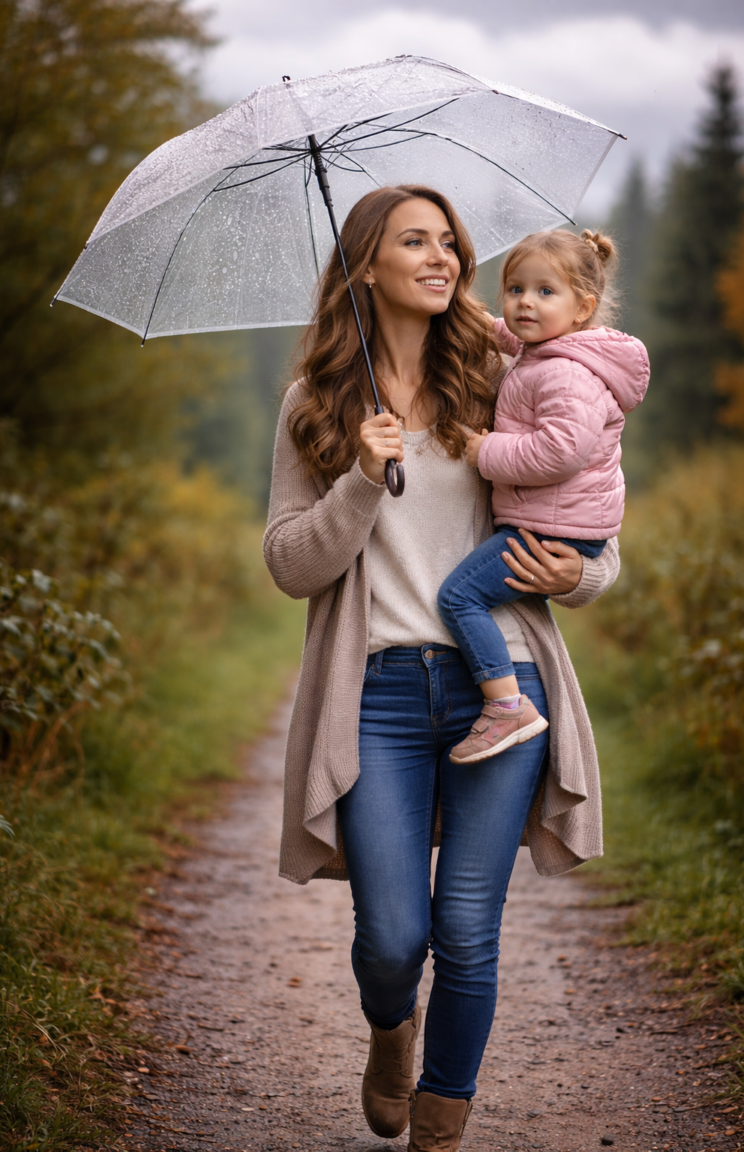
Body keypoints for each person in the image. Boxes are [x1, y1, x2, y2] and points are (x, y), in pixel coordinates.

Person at [263, 185, 620, 1152]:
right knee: (391, 939)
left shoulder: (502, 372)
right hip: (375, 693)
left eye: (448, 241)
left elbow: (592, 509)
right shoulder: (318, 403)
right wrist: (357, 482)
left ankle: (444, 1117)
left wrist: (580, 572)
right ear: (365, 266)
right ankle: (391, 1028)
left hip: (499, 683)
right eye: (413, 241)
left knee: (465, 928)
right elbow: (292, 564)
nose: (442, 256)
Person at [438, 229, 649, 766]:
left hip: (553, 528)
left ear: (584, 308)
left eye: (544, 292)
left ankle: (505, 705)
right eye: (514, 288)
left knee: (460, 597)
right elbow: (510, 338)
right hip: (562, 522)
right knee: (467, 594)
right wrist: (468, 313)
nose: (524, 302)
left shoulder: (564, 371)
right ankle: (505, 701)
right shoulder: (550, 350)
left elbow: (560, 452)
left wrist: (486, 451)